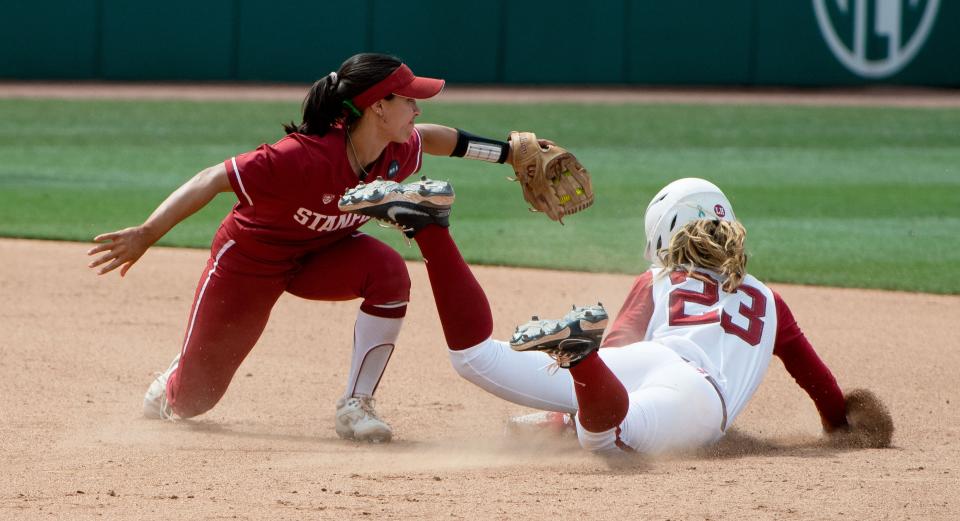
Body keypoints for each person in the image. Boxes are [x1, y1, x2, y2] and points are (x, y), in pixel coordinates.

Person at [86, 53, 536, 443]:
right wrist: (147, 232)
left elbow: (440, 137)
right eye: (409, 99)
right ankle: (172, 383)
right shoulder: (298, 157)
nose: (417, 108)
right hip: (249, 263)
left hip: (322, 257)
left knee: (389, 272)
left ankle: (356, 405)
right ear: (378, 106)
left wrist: (505, 154)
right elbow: (212, 179)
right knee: (193, 402)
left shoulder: (394, 151)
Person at [339, 176, 891, 454]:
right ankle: (577, 363)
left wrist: (556, 417)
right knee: (610, 442)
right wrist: (841, 424)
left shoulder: (658, 278)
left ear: (663, 233)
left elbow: (622, 348)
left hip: (648, 363)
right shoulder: (769, 300)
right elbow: (820, 387)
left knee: (477, 359)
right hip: (696, 398)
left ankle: (432, 231)